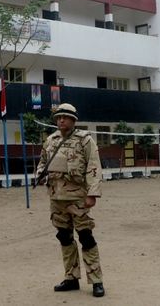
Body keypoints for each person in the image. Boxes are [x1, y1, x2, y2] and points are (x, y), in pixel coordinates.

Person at [36, 103, 105, 297]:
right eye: (58, 117)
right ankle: (71, 278)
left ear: (74, 120)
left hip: (78, 198)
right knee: (64, 238)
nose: (61, 120)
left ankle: (96, 281)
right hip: (56, 198)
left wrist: (92, 193)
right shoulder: (50, 140)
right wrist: (40, 173)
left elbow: (94, 166)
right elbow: (42, 162)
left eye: (65, 117)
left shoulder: (85, 140)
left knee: (86, 237)